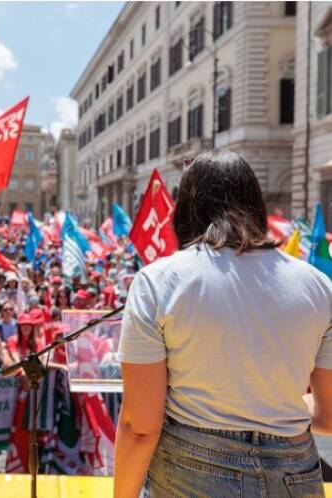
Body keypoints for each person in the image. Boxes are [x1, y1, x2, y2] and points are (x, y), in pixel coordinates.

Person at [114, 150, 332, 498]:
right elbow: (328, 416)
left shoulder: (158, 281)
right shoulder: (320, 285)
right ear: (256, 203)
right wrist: (275, 405)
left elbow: (139, 427)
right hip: (296, 473)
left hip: (192, 473)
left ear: (186, 208)